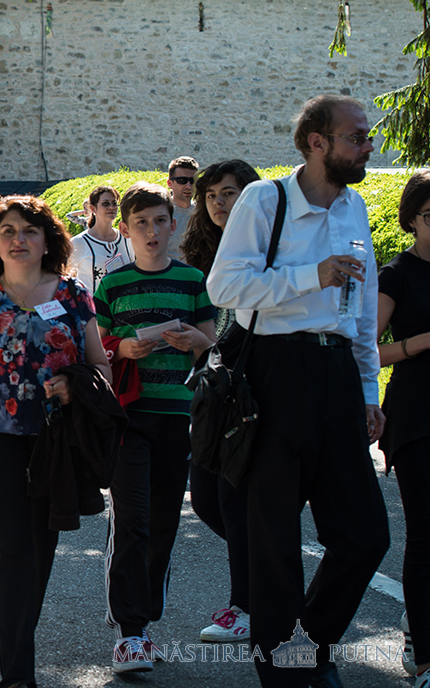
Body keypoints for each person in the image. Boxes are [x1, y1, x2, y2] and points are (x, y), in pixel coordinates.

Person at [207, 95, 388, 688]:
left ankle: (306, 644)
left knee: (365, 535)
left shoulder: (356, 205)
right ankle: (285, 672)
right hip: (273, 373)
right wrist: (314, 275)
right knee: (274, 539)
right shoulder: (267, 199)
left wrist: (368, 393)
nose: (368, 146)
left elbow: (361, 315)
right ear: (317, 142)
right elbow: (225, 284)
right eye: (356, 137)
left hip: (337, 376)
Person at [0, 194, 112, 688]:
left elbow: (99, 365)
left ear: (47, 240)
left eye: (30, 231)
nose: (19, 240)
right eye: (9, 231)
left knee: (42, 543)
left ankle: (18, 641)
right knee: (11, 542)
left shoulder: (75, 294)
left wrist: (75, 383)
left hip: (54, 435)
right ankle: (17, 673)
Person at [96, 182, 215, 673]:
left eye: (159, 221)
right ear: (124, 229)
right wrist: (121, 348)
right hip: (130, 415)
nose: (150, 231)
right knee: (134, 521)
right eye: (140, 222)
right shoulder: (112, 285)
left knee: (164, 523)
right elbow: (96, 348)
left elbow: (212, 338)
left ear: (172, 225)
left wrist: (193, 338)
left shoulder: (192, 279)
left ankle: (145, 619)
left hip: (180, 416)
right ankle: (130, 633)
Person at [177, 159, 262, 644]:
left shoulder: (263, 248)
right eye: (211, 195)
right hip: (215, 390)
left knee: (231, 500)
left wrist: (207, 345)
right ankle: (266, 575)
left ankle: (245, 605)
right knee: (207, 498)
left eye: (230, 193)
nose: (219, 203)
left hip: (250, 395)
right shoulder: (208, 253)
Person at [378, 170, 430, 688]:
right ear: (412, 219)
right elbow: (366, 349)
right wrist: (419, 342)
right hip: (416, 416)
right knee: (426, 535)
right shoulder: (397, 273)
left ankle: (418, 621)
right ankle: (424, 658)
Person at [69, 185, 133, 293]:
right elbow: (63, 277)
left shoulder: (127, 239)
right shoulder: (79, 242)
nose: (111, 207)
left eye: (114, 203)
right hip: (93, 308)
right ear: (93, 208)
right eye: (105, 203)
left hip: (125, 305)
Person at [164, 155, 198, 261]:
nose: (188, 185)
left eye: (192, 180)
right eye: (182, 180)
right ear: (170, 183)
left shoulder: (202, 213)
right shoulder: (161, 213)